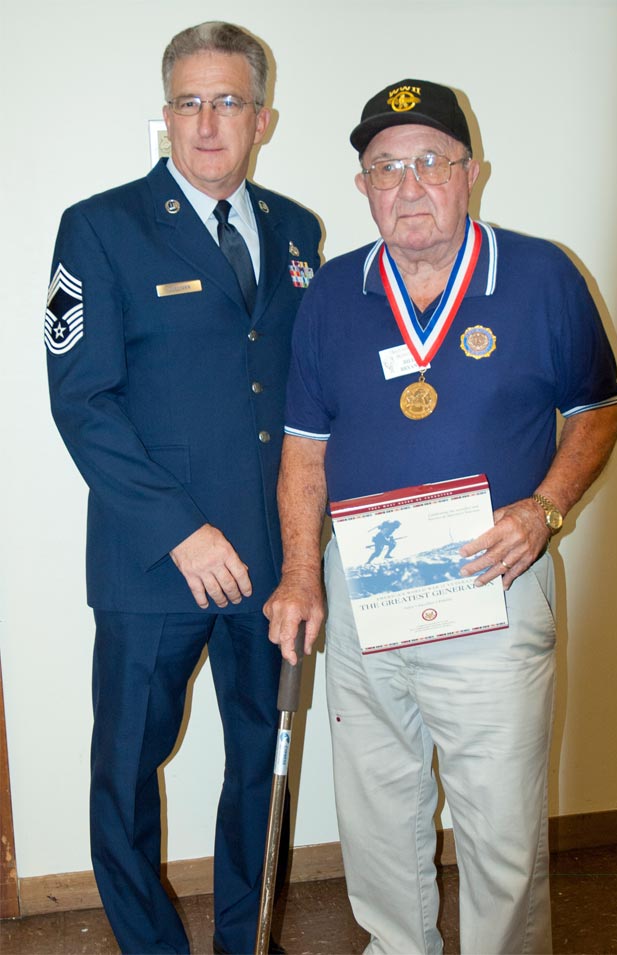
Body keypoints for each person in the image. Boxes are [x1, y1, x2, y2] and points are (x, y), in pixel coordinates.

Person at [265, 78, 617, 954]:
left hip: (494, 580)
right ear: (363, 187)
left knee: (499, 826)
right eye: (386, 167)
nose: (409, 184)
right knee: (378, 809)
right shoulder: (334, 292)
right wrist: (303, 573)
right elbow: (304, 450)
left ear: (472, 172)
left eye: (431, 161)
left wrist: (545, 508)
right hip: (367, 588)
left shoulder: (542, 275)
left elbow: (597, 409)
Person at [45, 20, 321, 955]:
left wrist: (304, 550)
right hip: (153, 561)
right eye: (190, 103)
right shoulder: (100, 227)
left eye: (229, 102)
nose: (208, 123)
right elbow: (84, 404)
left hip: (271, 565)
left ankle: (247, 939)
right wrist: (182, 531)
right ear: (165, 116)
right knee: (125, 771)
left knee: (259, 765)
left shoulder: (297, 231)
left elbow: (301, 399)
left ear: (263, 118)